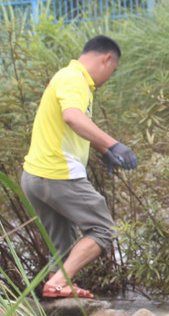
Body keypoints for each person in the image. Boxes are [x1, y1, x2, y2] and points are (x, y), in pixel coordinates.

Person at [20, 35, 138, 300]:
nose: (110, 76)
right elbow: (72, 117)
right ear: (107, 59)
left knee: (62, 245)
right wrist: (114, 144)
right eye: (114, 70)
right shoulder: (75, 79)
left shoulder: (66, 77)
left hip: (34, 176)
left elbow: (70, 126)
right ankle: (58, 284)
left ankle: (54, 298)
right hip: (57, 174)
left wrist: (104, 151)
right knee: (102, 229)